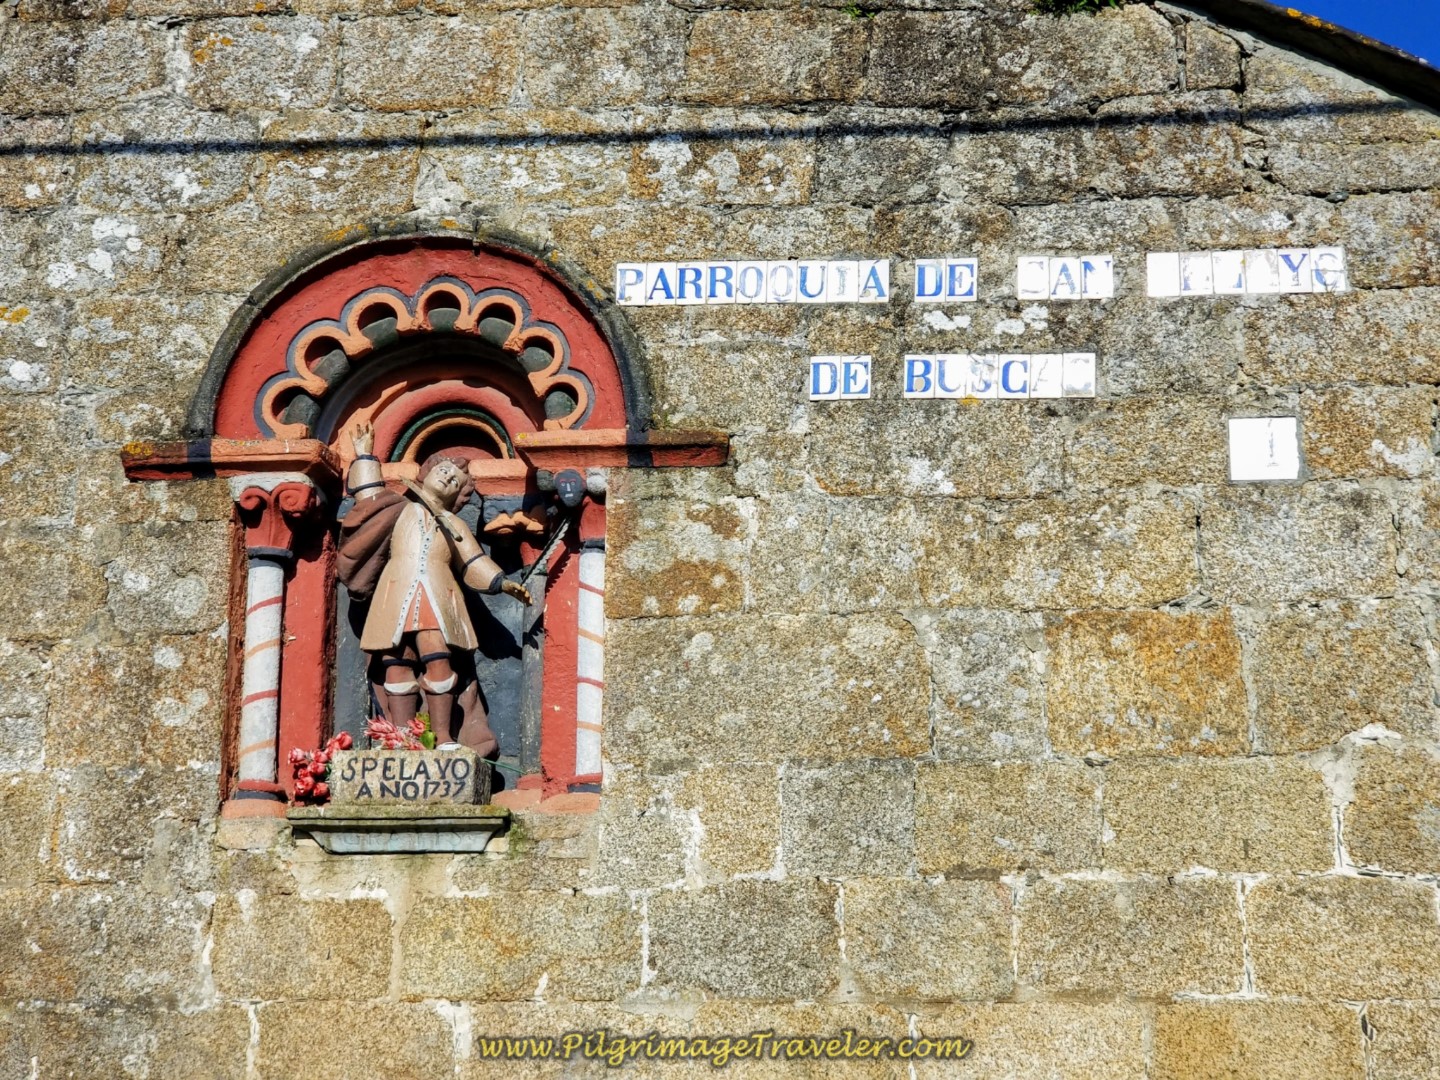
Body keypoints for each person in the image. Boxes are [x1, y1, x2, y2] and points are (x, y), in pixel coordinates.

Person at [337, 422, 531, 749]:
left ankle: (443, 738)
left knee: (438, 658)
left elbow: (472, 563)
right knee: (396, 662)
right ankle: (402, 740)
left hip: (438, 597)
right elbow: (367, 495)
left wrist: (501, 583)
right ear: (426, 472)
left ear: (458, 495)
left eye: (455, 480)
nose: (447, 478)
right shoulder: (397, 509)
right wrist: (365, 455)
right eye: (442, 471)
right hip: (395, 591)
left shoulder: (453, 524)